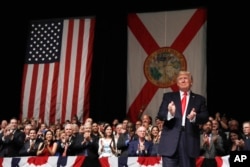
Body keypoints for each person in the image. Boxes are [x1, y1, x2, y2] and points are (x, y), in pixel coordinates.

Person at [157, 70, 209, 167]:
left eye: (185, 78)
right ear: (177, 83)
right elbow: (161, 114)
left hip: (189, 140)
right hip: (170, 141)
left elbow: (205, 117)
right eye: (180, 79)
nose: (183, 81)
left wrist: (194, 117)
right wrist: (170, 113)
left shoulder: (199, 99)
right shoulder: (168, 96)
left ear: (191, 82)